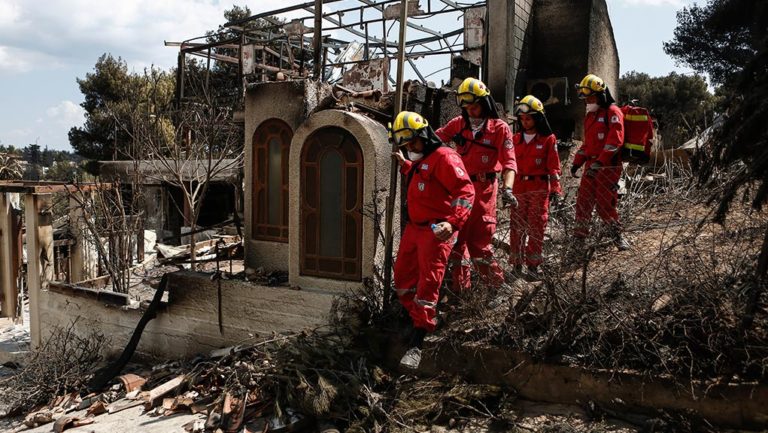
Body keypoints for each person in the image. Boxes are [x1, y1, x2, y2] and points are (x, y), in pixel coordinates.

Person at [390, 111, 475, 370]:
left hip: (436, 230)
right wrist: (405, 164)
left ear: (425, 136)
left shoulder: (445, 157)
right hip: (414, 229)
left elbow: (465, 190)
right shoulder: (421, 159)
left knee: (428, 285)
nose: (410, 147)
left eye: (413, 142)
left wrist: (453, 222)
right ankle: (416, 319)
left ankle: (418, 342)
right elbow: (423, 180)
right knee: (403, 279)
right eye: (406, 144)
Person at [435, 77, 517, 293]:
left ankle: (498, 288)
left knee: (479, 244)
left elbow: (510, 162)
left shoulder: (500, 129)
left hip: (484, 190)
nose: (471, 111)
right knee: (457, 242)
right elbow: (434, 142)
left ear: (485, 103)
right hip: (459, 190)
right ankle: (461, 292)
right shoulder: (458, 125)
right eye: (467, 107)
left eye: (475, 106)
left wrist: (508, 189)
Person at [571, 74, 630, 251]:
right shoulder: (590, 116)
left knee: (605, 203)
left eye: (590, 97)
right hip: (591, 166)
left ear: (601, 95)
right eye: (585, 98)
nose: (587, 101)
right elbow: (587, 144)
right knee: (583, 202)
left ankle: (617, 237)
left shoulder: (613, 112)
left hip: (608, 167)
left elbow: (615, 142)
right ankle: (579, 240)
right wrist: (577, 162)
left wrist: (600, 162)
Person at [508, 95, 562, 278]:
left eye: (528, 118)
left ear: (537, 118)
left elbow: (554, 167)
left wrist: (556, 190)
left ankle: (533, 266)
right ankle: (516, 265)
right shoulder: (515, 139)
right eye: (522, 119)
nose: (524, 122)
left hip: (539, 188)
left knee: (536, 227)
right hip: (518, 188)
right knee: (517, 227)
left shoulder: (548, 139)